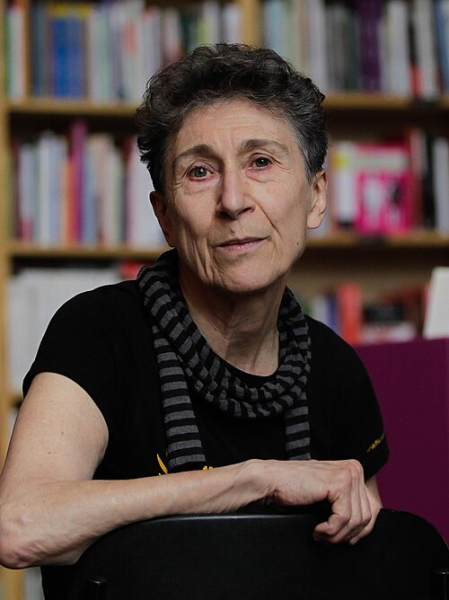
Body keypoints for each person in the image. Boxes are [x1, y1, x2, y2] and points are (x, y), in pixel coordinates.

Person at [0, 43, 388, 583]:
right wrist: (253, 481)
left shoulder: (335, 368)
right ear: (164, 215)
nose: (233, 200)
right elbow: (19, 525)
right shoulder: (99, 331)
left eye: (261, 162)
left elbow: (367, 573)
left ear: (316, 196)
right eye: (200, 171)